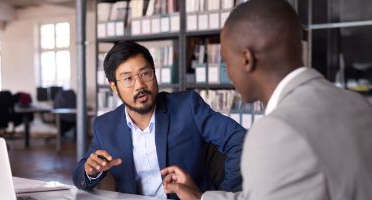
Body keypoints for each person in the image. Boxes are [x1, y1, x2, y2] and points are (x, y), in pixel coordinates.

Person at [160, 0, 372, 199]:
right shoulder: (360, 107)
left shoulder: (276, 132)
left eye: (226, 60)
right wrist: (201, 198)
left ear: (247, 59)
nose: (226, 69)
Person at [72, 41, 246, 199]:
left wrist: (221, 195)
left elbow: (240, 140)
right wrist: (90, 171)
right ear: (114, 87)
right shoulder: (105, 126)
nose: (140, 85)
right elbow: (80, 175)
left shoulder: (187, 107)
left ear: (154, 74)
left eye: (145, 73)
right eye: (128, 79)